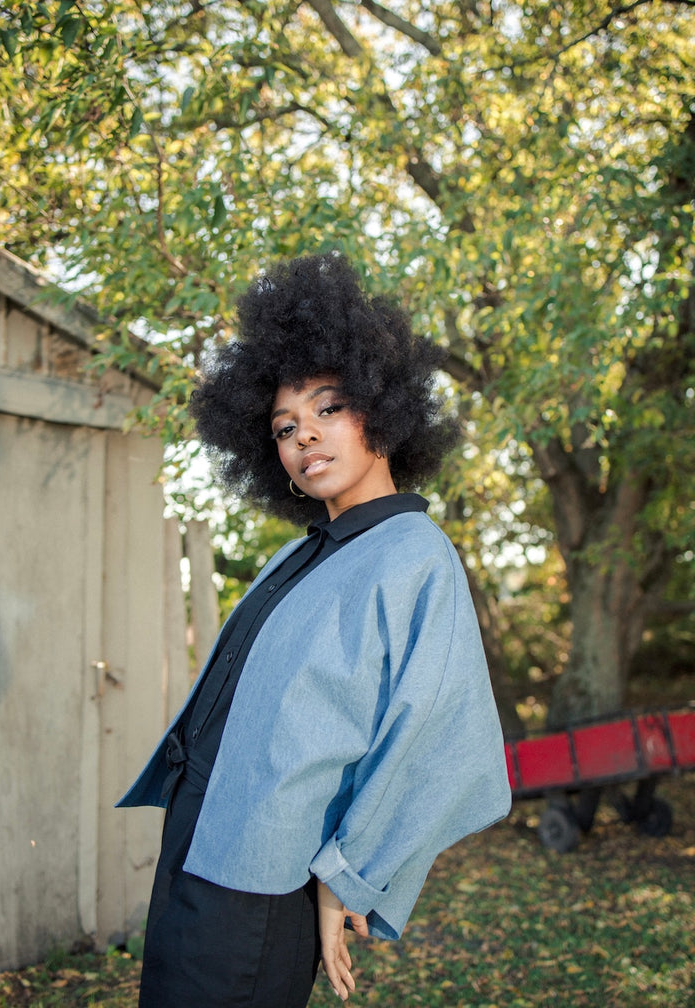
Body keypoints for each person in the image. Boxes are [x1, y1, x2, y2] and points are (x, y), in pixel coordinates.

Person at [118, 252, 511, 1007]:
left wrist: (348, 875)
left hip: (265, 876)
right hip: (199, 840)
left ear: (382, 411)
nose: (305, 436)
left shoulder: (415, 556)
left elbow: (443, 740)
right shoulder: (298, 557)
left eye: (329, 409)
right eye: (285, 427)